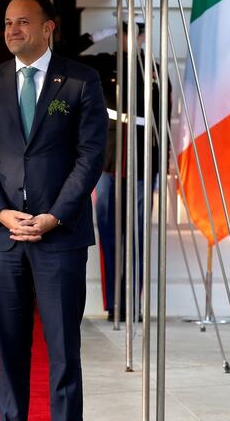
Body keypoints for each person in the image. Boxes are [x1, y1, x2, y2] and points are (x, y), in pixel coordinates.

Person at [0, 0, 107, 421]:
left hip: (59, 236)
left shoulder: (81, 79)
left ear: (49, 27)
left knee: (64, 347)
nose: (12, 30)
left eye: (23, 22)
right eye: (8, 22)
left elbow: (91, 156)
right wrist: (0, 211)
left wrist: (54, 216)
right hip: (4, 236)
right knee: (10, 346)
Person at [76, 18, 166, 322]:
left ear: (142, 37)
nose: (130, 37)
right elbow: (62, 53)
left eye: (135, 32)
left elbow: (161, 122)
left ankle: (133, 304)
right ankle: (114, 303)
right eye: (124, 31)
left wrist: (162, 169)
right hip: (109, 163)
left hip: (143, 164)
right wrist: (99, 32)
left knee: (138, 238)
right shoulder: (102, 65)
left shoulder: (155, 70)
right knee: (111, 238)